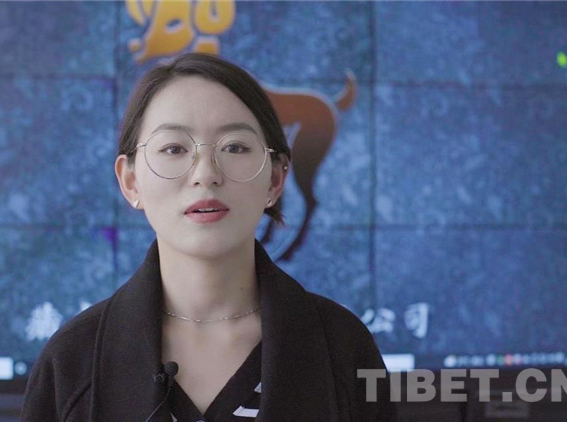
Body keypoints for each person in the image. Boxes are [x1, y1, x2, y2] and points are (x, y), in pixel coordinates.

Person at [22, 53, 395, 421]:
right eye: (173, 149)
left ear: (275, 178)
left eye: (234, 147)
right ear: (130, 181)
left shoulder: (343, 348)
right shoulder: (71, 361)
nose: (206, 174)